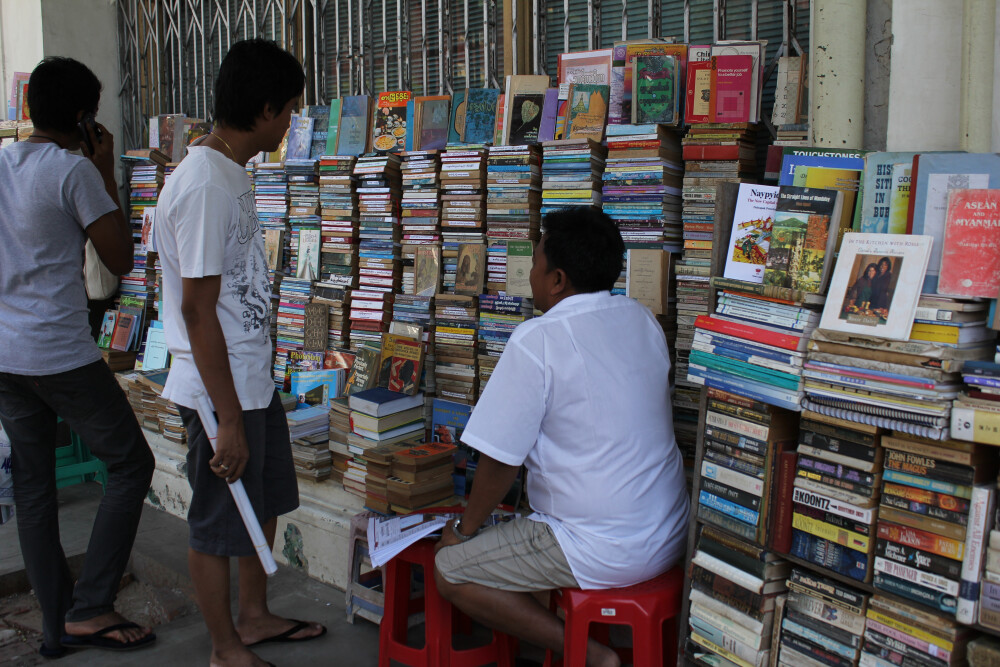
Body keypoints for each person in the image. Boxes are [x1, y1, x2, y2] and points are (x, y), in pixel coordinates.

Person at [434, 207, 690, 667]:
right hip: (670, 533)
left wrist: (463, 530)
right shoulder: (642, 320)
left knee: (450, 571)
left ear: (556, 281)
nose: (529, 275)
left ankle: (591, 654)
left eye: (534, 264)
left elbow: (498, 462)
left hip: (600, 547)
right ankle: (555, 641)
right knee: (528, 520)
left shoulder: (538, 339)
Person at [155, 39, 325, 667]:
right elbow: (198, 310)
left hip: (249, 377)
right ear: (262, 109)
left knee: (263, 503)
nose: (291, 125)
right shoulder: (205, 184)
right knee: (217, 519)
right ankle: (225, 647)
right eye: (288, 111)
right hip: (218, 390)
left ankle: (253, 619)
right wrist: (227, 416)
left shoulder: (227, 169)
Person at [0, 57, 156, 657]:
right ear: (84, 116)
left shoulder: (5, 163)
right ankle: (91, 606)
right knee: (132, 463)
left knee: (35, 488)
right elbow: (119, 259)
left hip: (8, 358)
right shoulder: (72, 171)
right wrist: (105, 172)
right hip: (58, 353)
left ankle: (55, 625)